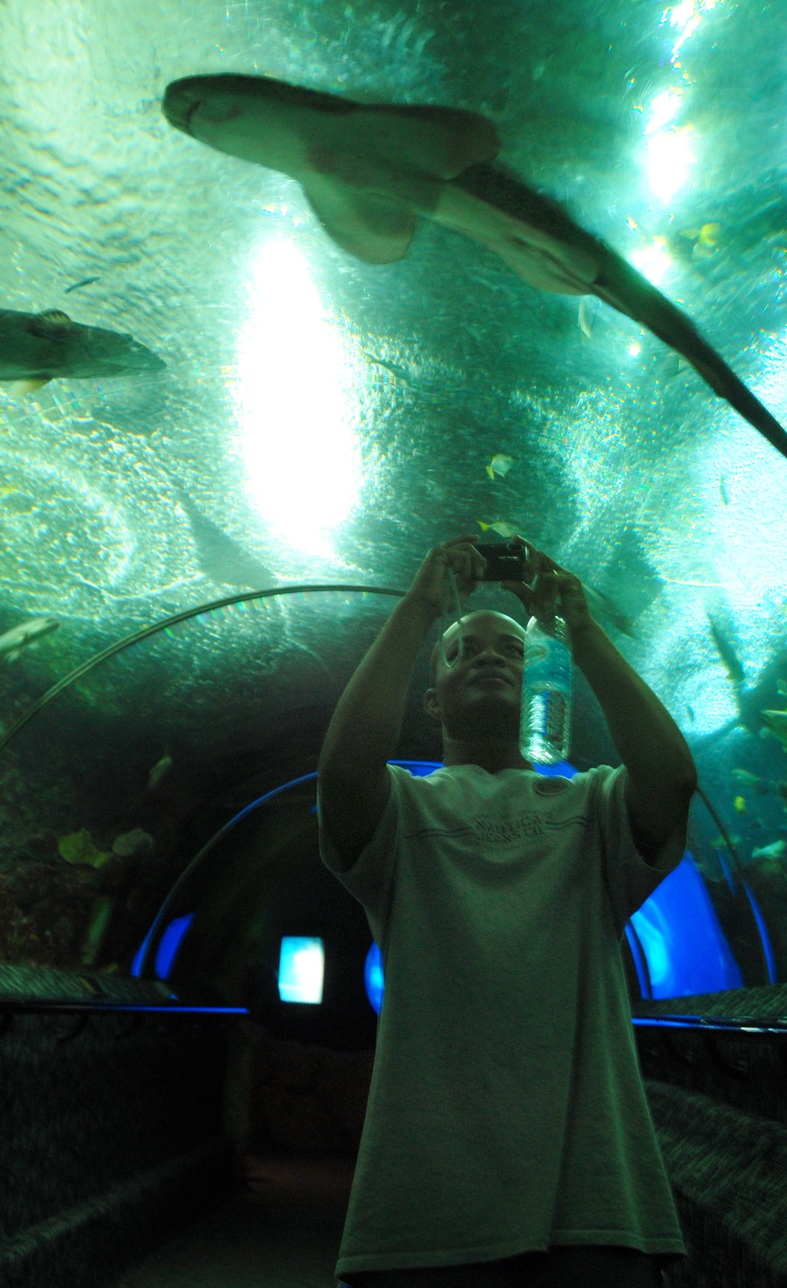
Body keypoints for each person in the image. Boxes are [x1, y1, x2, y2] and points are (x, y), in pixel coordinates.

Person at [317, 535, 698, 1288]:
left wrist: (580, 631)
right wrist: (420, 607)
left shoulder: (591, 805)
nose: (489, 656)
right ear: (431, 700)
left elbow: (672, 781)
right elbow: (342, 773)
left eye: (514, 648)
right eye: (460, 652)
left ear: (541, 677)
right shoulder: (403, 809)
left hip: (590, 1198)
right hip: (425, 1208)